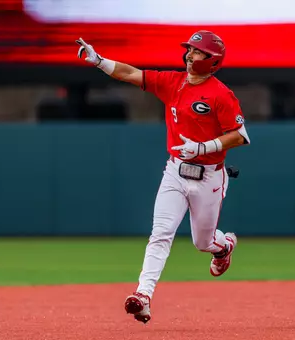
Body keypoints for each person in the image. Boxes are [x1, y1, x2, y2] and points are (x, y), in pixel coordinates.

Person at [76, 30, 251, 324]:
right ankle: (143, 296)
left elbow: (240, 136)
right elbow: (132, 74)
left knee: (202, 242)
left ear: (212, 60)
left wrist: (203, 147)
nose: (189, 54)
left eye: (196, 51)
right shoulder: (173, 82)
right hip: (175, 172)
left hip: (209, 177)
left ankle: (223, 248)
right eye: (190, 50)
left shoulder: (221, 94)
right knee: (160, 234)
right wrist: (99, 60)